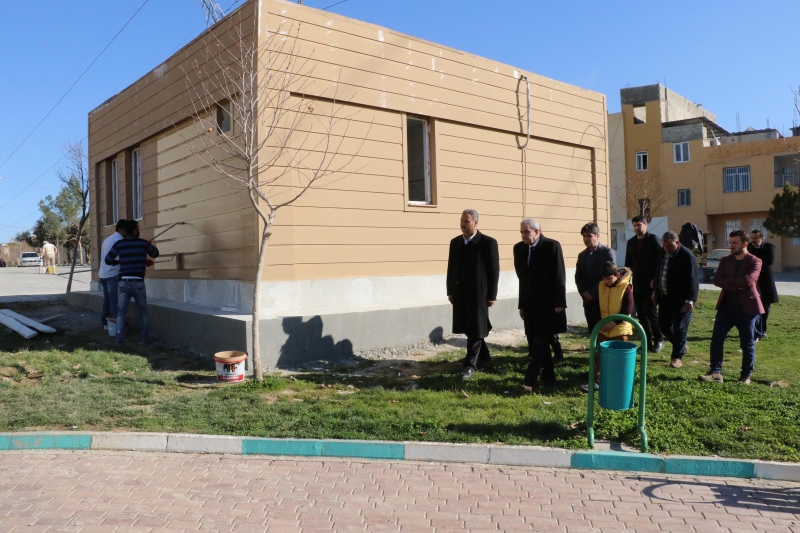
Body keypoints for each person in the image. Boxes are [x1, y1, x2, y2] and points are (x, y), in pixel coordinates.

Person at [700, 230, 763, 385]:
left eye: (735, 243)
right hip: (726, 308)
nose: (731, 246)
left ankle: (745, 376)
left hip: (747, 309)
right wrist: (736, 284)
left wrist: (730, 282)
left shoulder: (755, 261)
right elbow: (717, 280)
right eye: (730, 242)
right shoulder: (726, 260)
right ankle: (715, 372)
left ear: (745, 244)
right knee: (717, 339)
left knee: (747, 343)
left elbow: (748, 282)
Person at [513, 218, 567, 390]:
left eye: (527, 231)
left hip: (548, 305)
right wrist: (521, 304)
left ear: (538, 232)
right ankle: (549, 377)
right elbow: (522, 279)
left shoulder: (551, 246)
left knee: (539, 343)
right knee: (535, 341)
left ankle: (529, 381)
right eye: (522, 232)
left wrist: (559, 302)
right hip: (530, 305)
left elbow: (559, 276)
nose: (524, 235)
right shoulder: (519, 249)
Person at [447, 209, 499, 379]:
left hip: (479, 294)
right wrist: (450, 290)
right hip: (460, 293)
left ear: (476, 223)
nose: (463, 224)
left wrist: (492, 294)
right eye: (461, 220)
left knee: (476, 327)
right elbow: (451, 269)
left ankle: (470, 365)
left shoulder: (487, 243)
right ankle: (484, 356)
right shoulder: (455, 242)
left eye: (467, 221)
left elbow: (493, 270)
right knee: (470, 326)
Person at [579, 261, 634, 392]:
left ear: (616, 275)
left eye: (608, 278)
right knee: (599, 355)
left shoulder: (626, 287)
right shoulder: (601, 286)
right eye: (603, 278)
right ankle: (596, 382)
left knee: (618, 357)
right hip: (604, 328)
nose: (606, 281)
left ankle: (618, 382)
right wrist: (600, 323)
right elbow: (596, 306)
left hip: (620, 328)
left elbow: (628, 309)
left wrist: (614, 323)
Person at [105, 220, 159, 345]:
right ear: (135, 231)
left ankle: (119, 339)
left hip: (123, 282)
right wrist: (148, 245)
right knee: (142, 311)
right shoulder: (142, 243)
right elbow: (155, 253)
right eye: (138, 228)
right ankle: (145, 339)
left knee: (121, 312)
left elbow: (108, 259)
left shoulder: (119, 244)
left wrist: (118, 262)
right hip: (138, 282)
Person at [653, 231, 699, 368]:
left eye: (670, 245)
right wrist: (655, 290)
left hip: (681, 299)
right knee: (663, 325)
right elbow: (658, 272)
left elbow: (693, 280)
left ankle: (676, 357)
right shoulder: (662, 253)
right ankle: (681, 345)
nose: (667, 248)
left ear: (677, 243)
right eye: (664, 245)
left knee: (680, 328)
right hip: (664, 297)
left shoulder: (686, 256)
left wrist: (690, 299)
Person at [624, 216, 664, 353]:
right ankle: (646, 341)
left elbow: (660, 260)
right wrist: (626, 279)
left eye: (639, 224)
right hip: (637, 283)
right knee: (641, 314)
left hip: (651, 283)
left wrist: (655, 278)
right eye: (634, 225)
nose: (637, 227)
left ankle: (658, 339)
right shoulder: (631, 242)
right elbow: (628, 263)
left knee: (651, 312)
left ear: (646, 225)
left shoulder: (653, 240)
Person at [575, 222, 615, 335]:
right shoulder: (582, 255)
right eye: (584, 236)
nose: (586, 239)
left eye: (589, 235)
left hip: (601, 298)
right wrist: (583, 292)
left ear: (597, 236)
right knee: (592, 329)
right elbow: (578, 276)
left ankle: (602, 351)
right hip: (587, 299)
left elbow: (608, 275)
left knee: (602, 329)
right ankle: (594, 350)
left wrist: (593, 292)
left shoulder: (607, 252)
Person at [748, 229, 778, 341]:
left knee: (765, 308)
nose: (753, 240)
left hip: (765, 282)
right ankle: (754, 330)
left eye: (756, 238)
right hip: (753, 282)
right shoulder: (749, 247)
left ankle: (762, 330)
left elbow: (769, 260)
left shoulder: (769, 247)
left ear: (762, 238)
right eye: (752, 238)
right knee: (753, 308)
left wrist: (754, 259)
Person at [99, 220, 126, 330]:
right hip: (112, 274)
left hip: (103, 274)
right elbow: (119, 259)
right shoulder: (118, 240)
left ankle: (105, 323)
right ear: (121, 229)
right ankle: (114, 326)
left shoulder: (107, 239)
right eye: (126, 230)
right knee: (114, 301)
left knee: (107, 300)